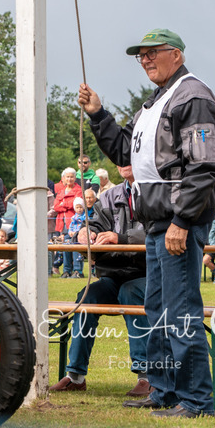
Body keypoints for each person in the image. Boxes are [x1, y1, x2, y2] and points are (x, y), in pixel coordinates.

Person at [78, 28, 215, 418]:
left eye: (153, 53)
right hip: (158, 222)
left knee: (180, 311)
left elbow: (205, 165)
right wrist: (98, 114)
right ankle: (165, 390)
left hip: (178, 222)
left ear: (176, 54)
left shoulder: (192, 96)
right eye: (140, 56)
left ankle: (195, 401)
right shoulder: (154, 103)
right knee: (156, 309)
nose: (145, 60)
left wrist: (183, 220)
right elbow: (125, 150)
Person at [50, 165, 150, 398]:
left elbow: (160, 232)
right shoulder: (107, 197)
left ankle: (147, 376)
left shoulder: (155, 192)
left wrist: (121, 238)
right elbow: (93, 223)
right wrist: (86, 232)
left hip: (151, 276)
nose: (124, 163)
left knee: (129, 292)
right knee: (88, 296)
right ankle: (75, 376)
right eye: (120, 159)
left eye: (129, 157)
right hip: (114, 276)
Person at [52, 168, 83, 251]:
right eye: (67, 177)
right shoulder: (61, 191)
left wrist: (63, 204)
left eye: (71, 177)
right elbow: (56, 207)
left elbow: (76, 204)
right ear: (64, 178)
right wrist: (67, 205)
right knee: (64, 251)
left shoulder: (79, 190)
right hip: (61, 224)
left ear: (75, 178)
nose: (69, 179)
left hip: (73, 224)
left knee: (75, 250)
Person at [63, 197, 87, 278]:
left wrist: (77, 233)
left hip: (80, 237)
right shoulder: (73, 217)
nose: (79, 209)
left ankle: (78, 270)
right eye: (77, 207)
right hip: (72, 236)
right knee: (66, 244)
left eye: (81, 207)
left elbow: (84, 227)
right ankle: (66, 270)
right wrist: (70, 232)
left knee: (76, 246)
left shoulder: (85, 217)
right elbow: (71, 226)